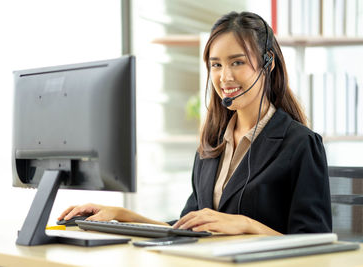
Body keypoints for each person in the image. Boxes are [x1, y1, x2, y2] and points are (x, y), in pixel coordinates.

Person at [58, 11, 332, 235]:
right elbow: (187, 228)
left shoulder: (300, 144)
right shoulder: (211, 145)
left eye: (237, 62)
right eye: (216, 65)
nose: (225, 77)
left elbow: (317, 247)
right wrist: (121, 215)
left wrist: (247, 225)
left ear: (268, 64)